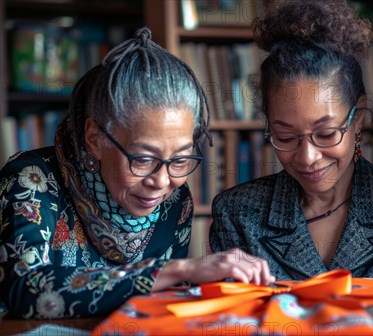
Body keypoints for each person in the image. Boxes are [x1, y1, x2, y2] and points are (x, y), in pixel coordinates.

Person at [0, 27, 273, 319]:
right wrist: (176, 271)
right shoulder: (31, 180)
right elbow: (23, 289)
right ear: (95, 139)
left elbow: (156, 306)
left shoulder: (175, 202)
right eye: (143, 159)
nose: (161, 181)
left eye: (180, 161)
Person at [209, 0, 373, 281]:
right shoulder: (238, 214)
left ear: (358, 116)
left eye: (325, 134)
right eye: (286, 136)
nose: (307, 157)